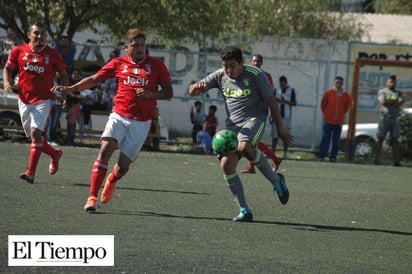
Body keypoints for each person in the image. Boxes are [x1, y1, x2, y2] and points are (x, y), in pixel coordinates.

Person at [52, 28, 173, 212]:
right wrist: (70, 89)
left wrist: (150, 94)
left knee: (123, 167)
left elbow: (168, 92)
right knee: (106, 149)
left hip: (141, 122)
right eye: (135, 45)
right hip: (119, 115)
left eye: (142, 45)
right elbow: (94, 79)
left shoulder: (156, 66)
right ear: (126, 47)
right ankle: (91, 197)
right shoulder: (118, 63)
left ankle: (112, 179)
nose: (140, 49)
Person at [188, 46, 294, 222]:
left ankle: (276, 182)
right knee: (226, 166)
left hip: (255, 119)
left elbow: (272, 102)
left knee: (245, 146)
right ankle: (245, 210)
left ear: (242, 63)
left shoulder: (255, 74)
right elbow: (194, 89)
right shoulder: (220, 75)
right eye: (225, 66)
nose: (228, 70)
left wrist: (281, 129)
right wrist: (195, 89)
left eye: (232, 65)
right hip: (232, 126)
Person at [2, 22, 69, 183]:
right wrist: (6, 82)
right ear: (28, 34)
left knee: (35, 133)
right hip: (24, 99)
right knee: (33, 138)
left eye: (43, 34)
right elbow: (7, 68)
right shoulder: (18, 50)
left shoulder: (53, 54)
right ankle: (54, 153)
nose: (40, 36)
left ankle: (30, 172)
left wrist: (64, 92)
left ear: (46, 36)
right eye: (36, 33)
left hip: (44, 99)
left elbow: (64, 74)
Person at [241, 53, 283, 174]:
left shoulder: (266, 76)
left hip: (259, 111)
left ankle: (272, 159)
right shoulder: (247, 74)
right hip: (248, 110)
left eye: (258, 61)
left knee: (250, 139)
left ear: (262, 63)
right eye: (254, 61)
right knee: (251, 140)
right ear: (250, 62)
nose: (256, 63)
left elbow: (269, 95)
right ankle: (257, 164)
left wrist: (272, 113)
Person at [317, 76, 351, 162]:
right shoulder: (329, 93)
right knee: (325, 139)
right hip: (328, 120)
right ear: (334, 83)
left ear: (342, 84)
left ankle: (333, 157)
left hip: (338, 121)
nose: (338, 84)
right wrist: (327, 114)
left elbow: (346, 107)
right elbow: (323, 105)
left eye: (340, 82)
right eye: (337, 82)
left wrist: (340, 115)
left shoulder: (345, 95)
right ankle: (321, 156)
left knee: (336, 140)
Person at [374, 74, 404, 166]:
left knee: (395, 140)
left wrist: (390, 100)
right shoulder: (382, 91)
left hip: (394, 118)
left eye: (394, 82)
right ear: (387, 82)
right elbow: (383, 101)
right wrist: (393, 101)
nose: (392, 83)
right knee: (380, 138)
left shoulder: (399, 92)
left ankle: (396, 161)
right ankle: (376, 159)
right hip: (384, 118)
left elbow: (400, 103)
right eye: (391, 81)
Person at [272, 76, 297, 159]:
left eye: (283, 84)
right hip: (276, 116)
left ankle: (285, 153)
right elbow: (271, 102)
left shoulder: (291, 90)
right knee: (275, 136)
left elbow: (294, 103)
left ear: (286, 83)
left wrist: (286, 101)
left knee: (285, 135)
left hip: (286, 116)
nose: (282, 86)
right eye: (280, 84)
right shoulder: (276, 90)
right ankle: (273, 153)